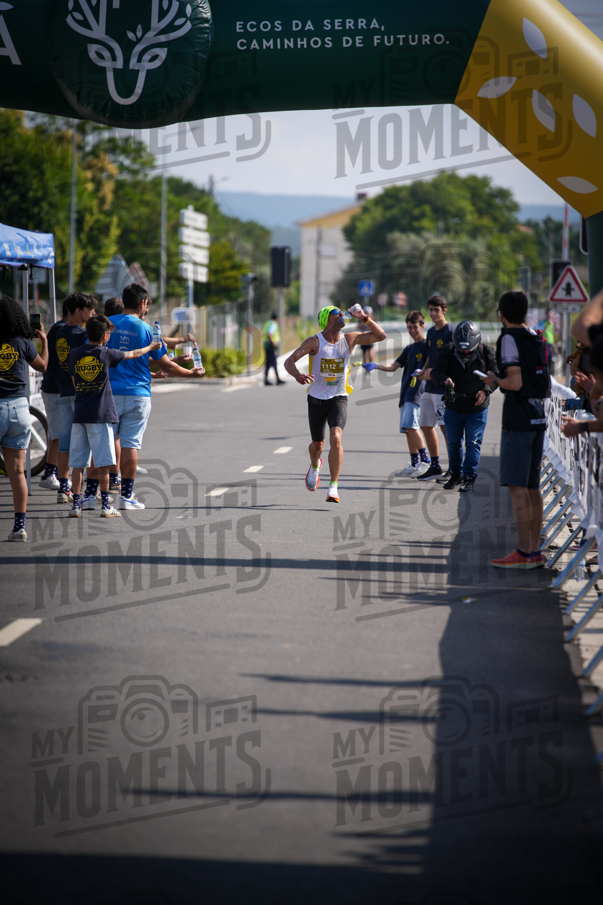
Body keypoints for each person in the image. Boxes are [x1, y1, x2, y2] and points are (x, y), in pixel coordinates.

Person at [106, 283, 204, 510]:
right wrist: (190, 373)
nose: (147, 309)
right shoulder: (147, 331)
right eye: (148, 305)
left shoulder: (108, 325)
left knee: (103, 443)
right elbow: (165, 364)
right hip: (137, 395)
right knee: (130, 445)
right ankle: (126, 497)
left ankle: (92, 496)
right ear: (142, 303)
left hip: (107, 393)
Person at [284, 303, 386, 502]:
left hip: (338, 397)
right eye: (336, 313)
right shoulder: (314, 342)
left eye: (342, 312)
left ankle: (333, 486)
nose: (342, 315)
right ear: (326, 321)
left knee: (336, 437)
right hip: (316, 399)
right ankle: (315, 465)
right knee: (317, 445)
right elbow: (289, 361)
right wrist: (297, 375)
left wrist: (364, 318)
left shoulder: (350, 339)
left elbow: (381, 336)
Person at [67, 314, 161, 518]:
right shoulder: (106, 353)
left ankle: (76, 505)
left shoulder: (74, 354)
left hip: (80, 414)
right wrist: (151, 348)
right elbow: (133, 353)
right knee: (103, 461)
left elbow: (76, 383)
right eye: (108, 333)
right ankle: (105, 506)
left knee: (78, 462)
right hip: (100, 415)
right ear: (104, 336)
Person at [482, 290, 550, 569]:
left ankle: (523, 552)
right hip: (539, 419)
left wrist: (493, 379)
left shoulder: (508, 338)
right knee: (533, 487)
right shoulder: (536, 336)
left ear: (502, 314)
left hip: (518, 420)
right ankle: (534, 550)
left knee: (517, 487)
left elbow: (515, 382)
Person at [0, 296, 48, 541]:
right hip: (20, 409)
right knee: (18, 471)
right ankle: (19, 527)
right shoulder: (22, 342)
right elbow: (42, 367)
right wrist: (45, 343)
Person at [430, 321, 498, 492]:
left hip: (477, 407)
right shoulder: (448, 350)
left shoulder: (487, 351)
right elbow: (435, 372)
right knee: (453, 443)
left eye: (468, 348)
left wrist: (485, 390)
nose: (464, 351)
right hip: (453, 406)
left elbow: (496, 375)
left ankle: (469, 477)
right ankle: (455, 474)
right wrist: (444, 379)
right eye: (461, 349)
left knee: (473, 442)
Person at [363, 309, 430, 477]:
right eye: (409, 327)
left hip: (417, 392)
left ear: (422, 326)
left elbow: (433, 366)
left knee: (412, 426)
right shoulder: (409, 348)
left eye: (415, 327)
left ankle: (425, 461)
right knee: (407, 429)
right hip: (405, 392)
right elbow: (393, 367)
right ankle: (414, 463)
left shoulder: (428, 346)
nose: (412, 330)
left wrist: (423, 372)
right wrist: (375, 365)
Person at [55, 292, 98, 503]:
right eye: (91, 310)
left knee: (64, 443)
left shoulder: (60, 333)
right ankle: (90, 489)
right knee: (88, 441)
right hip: (81, 393)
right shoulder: (83, 335)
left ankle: (63, 489)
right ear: (78, 311)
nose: (94, 314)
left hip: (63, 391)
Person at [416, 295, 453, 482]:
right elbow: (430, 356)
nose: (432, 313)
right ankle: (435, 465)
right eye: (430, 309)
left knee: (446, 428)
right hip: (429, 387)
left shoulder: (450, 331)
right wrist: (423, 372)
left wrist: (439, 374)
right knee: (425, 424)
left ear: (444, 311)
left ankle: (454, 468)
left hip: (442, 388)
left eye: (436, 310)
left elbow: (453, 360)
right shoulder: (430, 332)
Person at [39, 299, 69, 490]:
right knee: (58, 435)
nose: (91, 314)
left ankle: (55, 474)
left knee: (56, 434)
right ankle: (49, 475)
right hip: (55, 388)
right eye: (89, 310)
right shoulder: (62, 329)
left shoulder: (60, 328)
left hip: (55, 387)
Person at [262, 313, 284, 385]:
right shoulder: (273, 324)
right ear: (276, 318)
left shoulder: (267, 323)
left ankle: (266, 380)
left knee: (268, 363)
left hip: (267, 345)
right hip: (270, 346)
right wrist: (274, 343)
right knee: (274, 362)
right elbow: (269, 333)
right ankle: (277, 379)